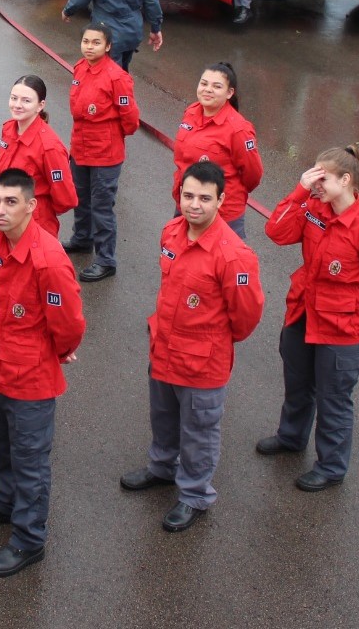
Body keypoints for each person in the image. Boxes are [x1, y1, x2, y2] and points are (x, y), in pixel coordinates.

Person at [121, 161, 264, 530]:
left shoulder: (234, 255)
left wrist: (211, 341)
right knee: (164, 418)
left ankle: (194, 494)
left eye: (204, 197)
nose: (194, 205)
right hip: (164, 349)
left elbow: (246, 316)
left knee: (199, 430)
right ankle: (163, 467)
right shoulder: (171, 232)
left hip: (203, 362)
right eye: (188, 195)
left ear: (221, 201)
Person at [0, 168, 86, 578]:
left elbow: (70, 323)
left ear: (31, 206)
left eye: (10, 202)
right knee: (2, 447)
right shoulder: (1, 238)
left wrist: (60, 351)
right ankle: (6, 504)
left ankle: (29, 540)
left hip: (31, 379)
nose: (0, 209)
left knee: (31, 461)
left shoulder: (49, 260)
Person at [259, 146, 359, 491]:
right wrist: (299, 191)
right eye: (314, 174)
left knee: (334, 399)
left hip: (341, 329)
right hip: (304, 311)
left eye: (323, 176)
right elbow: (276, 232)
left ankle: (331, 467)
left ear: (346, 180)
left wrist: (347, 307)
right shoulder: (312, 207)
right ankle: (291, 437)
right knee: (298, 383)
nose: (316, 182)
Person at [64, 23, 139, 282]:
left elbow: (130, 119)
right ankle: (82, 238)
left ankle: (106, 259)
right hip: (80, 147)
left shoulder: (117, 77)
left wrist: (112, 136)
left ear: (107, 47)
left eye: (96, 43)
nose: (89, 47)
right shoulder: (80, 68)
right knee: (80, 198)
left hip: (105, 153)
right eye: (86, 41)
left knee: (102, 207)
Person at [171, 62, 263, 239]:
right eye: (204, 83)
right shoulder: (191, 112)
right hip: (188, 202)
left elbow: (253, 175)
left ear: (230, 93)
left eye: (216, 86)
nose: (208, 89)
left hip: (221, 214)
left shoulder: (238, 129)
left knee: (217, 264)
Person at [0, 75, 77, 237]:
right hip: (5, 218)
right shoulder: (8, 129)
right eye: (14, 98)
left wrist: (40, 210)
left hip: (34, 226)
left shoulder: (49, 146)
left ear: (40, 106)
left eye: (26, 101)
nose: (17, 105)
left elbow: (66, 198)